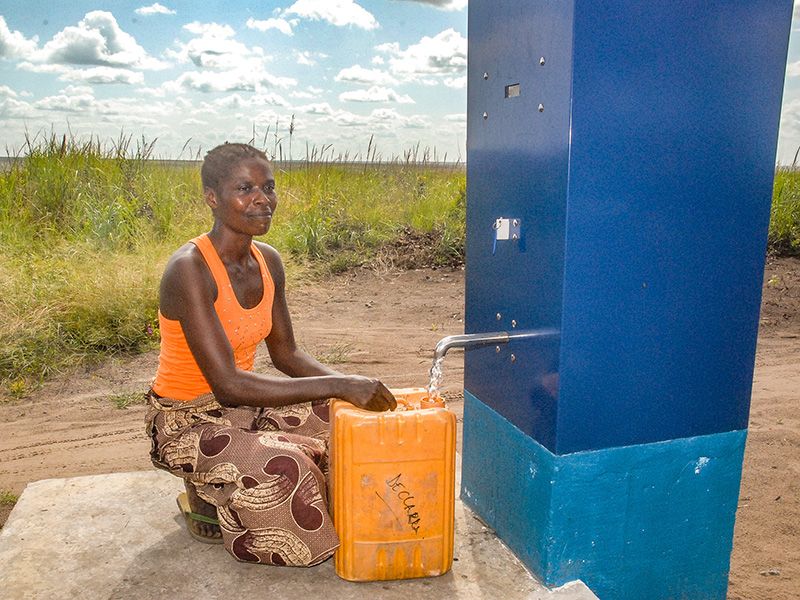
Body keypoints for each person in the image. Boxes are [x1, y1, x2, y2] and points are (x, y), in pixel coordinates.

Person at [145, 142, 396, 567]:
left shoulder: (269, 261)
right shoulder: (189, 269)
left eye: (269, 187)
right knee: (289, 467)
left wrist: (350, 391)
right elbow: (226, 385)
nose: (263, 199)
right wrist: (343, 385)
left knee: (346, 422)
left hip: (246, 407)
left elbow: (288, 355)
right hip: (185, 421)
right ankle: (214, 499)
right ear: (212, 197)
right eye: (245, 188)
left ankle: (231, 478)